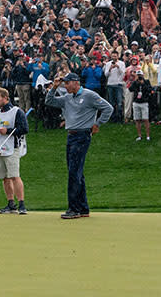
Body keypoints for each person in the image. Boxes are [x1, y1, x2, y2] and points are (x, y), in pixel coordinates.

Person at [45, 72, 113, 219]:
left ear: (76, 82)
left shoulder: (89, 95)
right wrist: (54, 87)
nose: (65, 85)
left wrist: (98, 123)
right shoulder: (68, 97)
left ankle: (74, 208)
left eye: (67, 83)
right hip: (71, 135)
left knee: (74, 173)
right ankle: (83, 208)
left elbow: (108, 108)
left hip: (82, 136)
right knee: (76, 172)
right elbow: (50, 101)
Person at [129, 70, 152, 141]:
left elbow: (150, 90)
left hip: (144, 102)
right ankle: (139, 135)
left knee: (146, 119)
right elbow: (130, 89)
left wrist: (143, 84)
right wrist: (135, 82)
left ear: (143, 75)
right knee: (137, 119)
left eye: (140, 75)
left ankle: (148, 135)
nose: (139, 77)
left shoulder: (147, 82)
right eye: (138, 76)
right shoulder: (135, 83)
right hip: (136, 102)